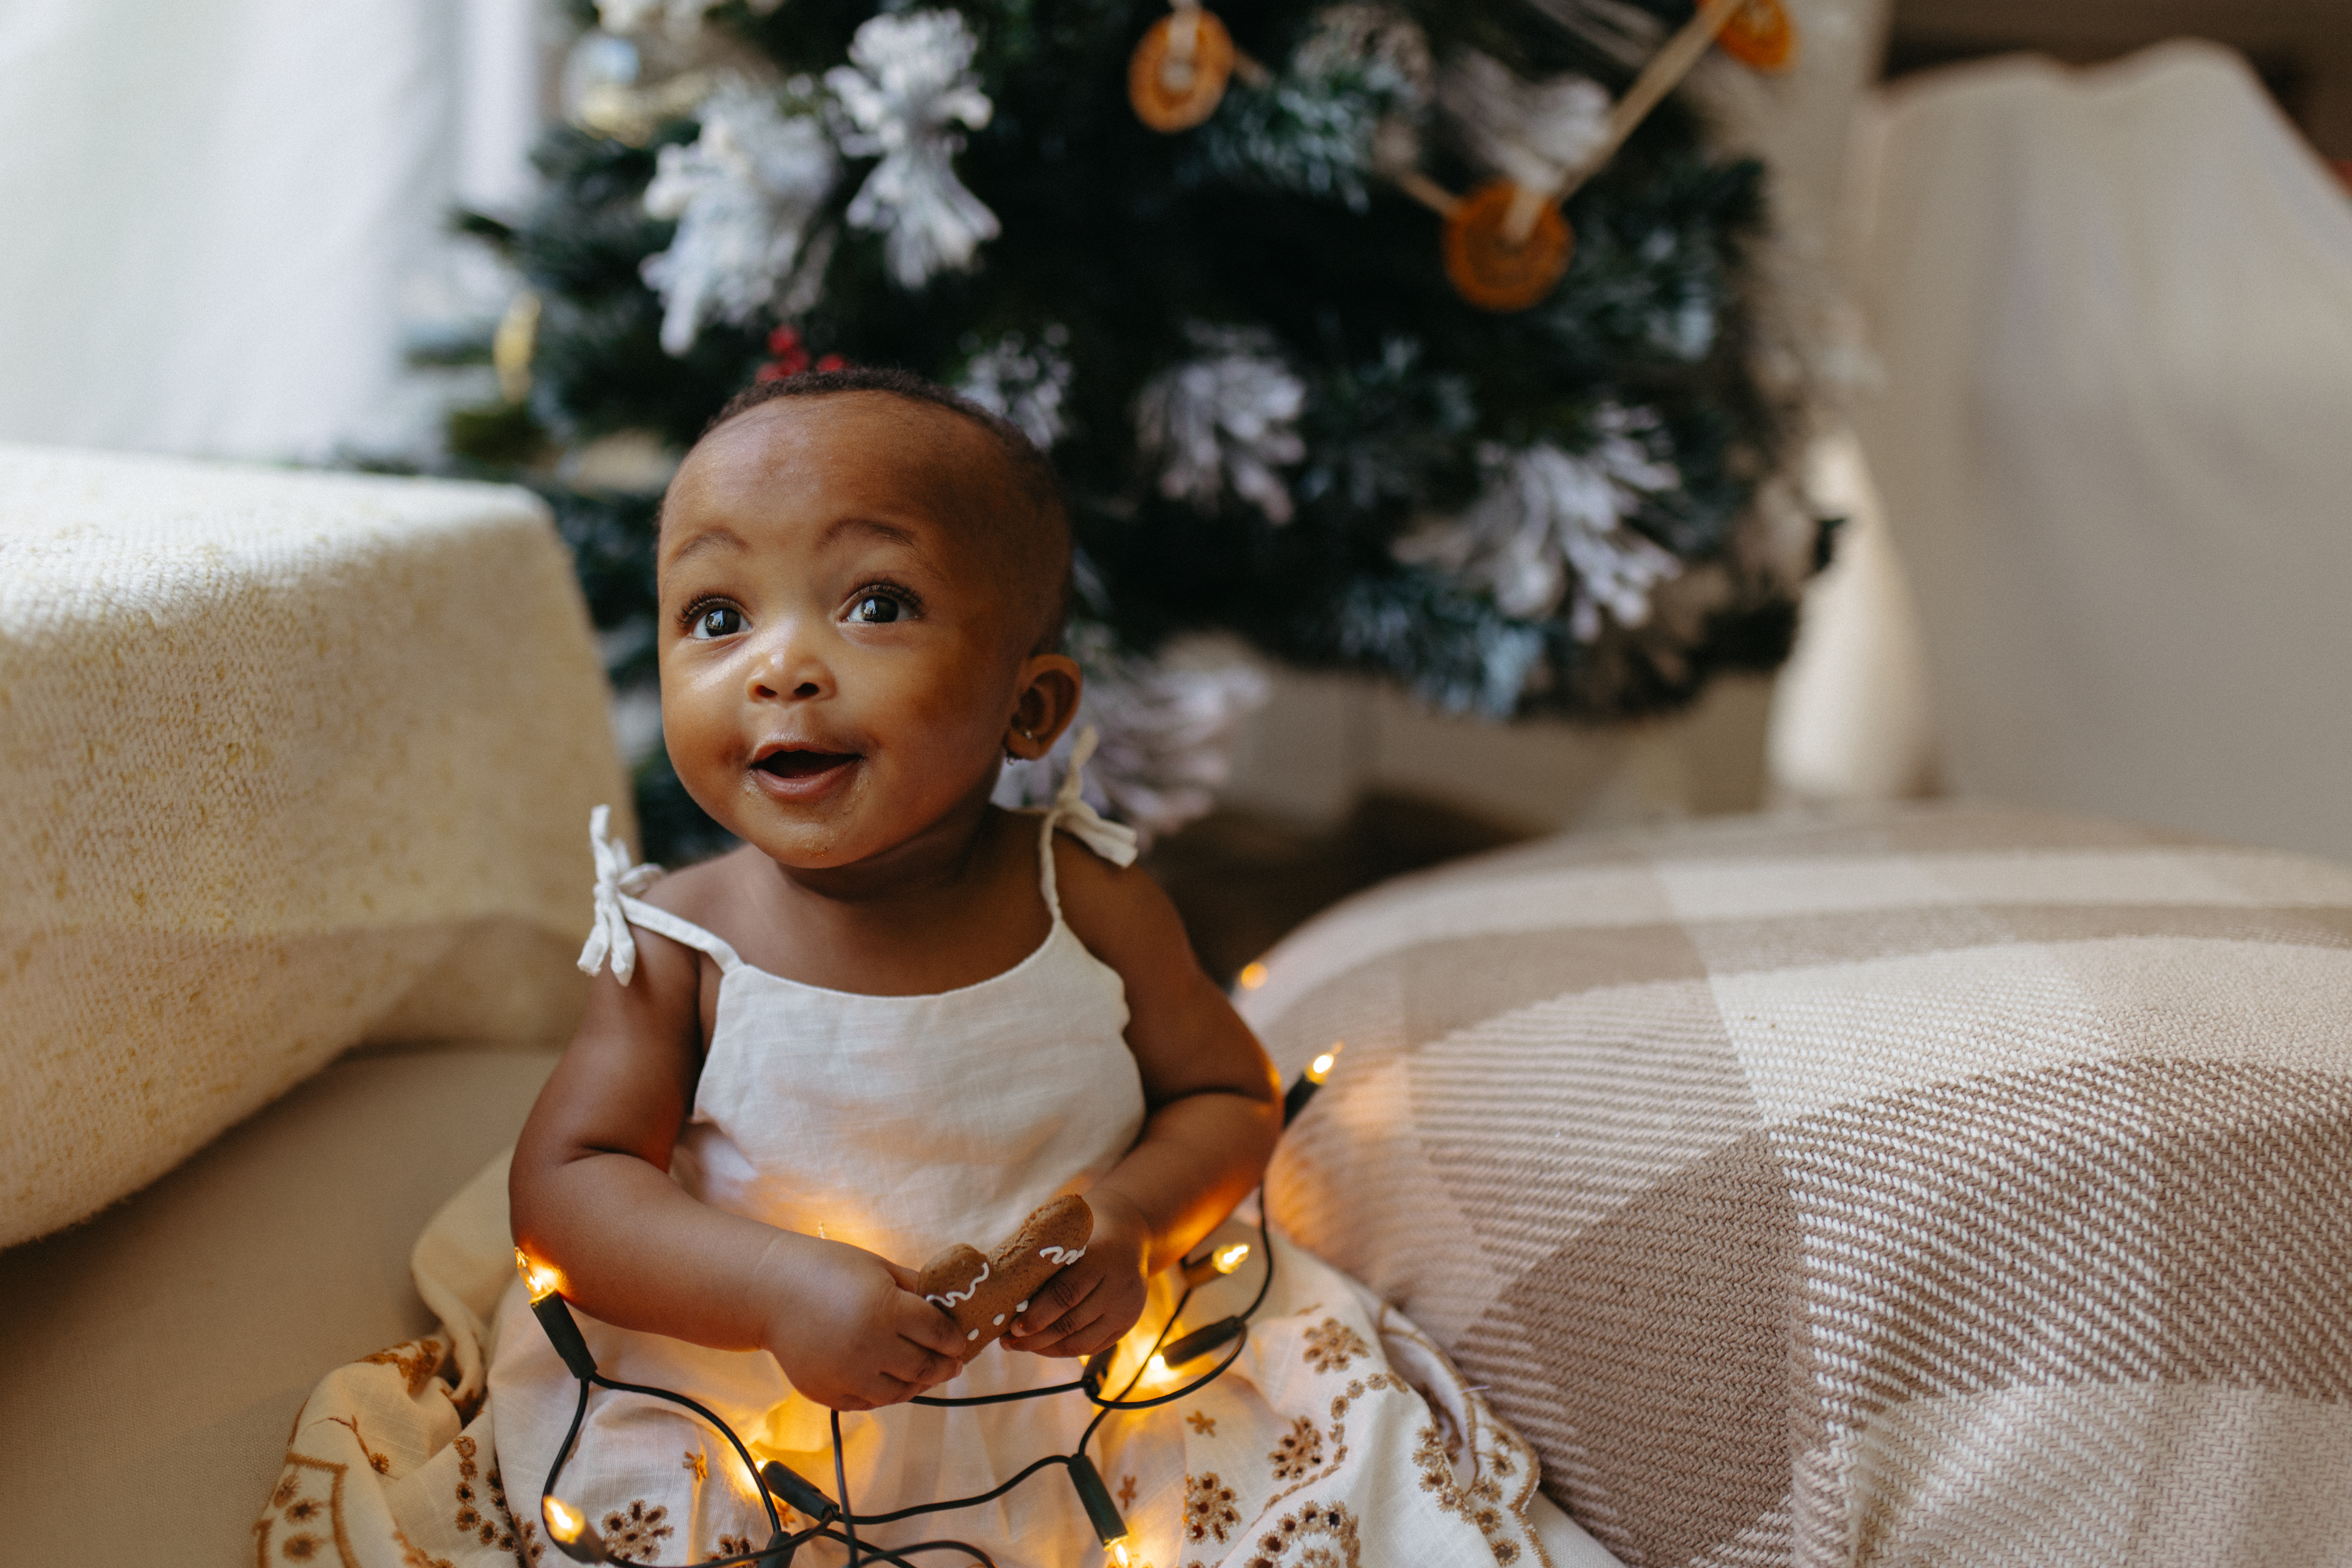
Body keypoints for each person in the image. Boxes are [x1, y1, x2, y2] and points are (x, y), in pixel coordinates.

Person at [487, 368, 1570, 1566]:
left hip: (1100, 1402)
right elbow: (572, 1186)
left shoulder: (1088, 899)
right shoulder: (679, 943)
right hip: (765, 1406)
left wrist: (1135, 1221)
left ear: (1031, 706)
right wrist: (771, 1286)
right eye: (717, 616)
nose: (778, 667)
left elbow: (1226, 1097)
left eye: (877, 603)